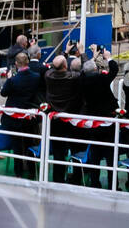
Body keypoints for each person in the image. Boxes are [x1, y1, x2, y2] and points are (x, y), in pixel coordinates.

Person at [79, 53, 120, 187]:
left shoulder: (82, 81)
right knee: (111, 155)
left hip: (94, 122)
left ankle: (95, 182)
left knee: (95, 153)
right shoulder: (101, 78)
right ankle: (113, 183)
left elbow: (83, 72)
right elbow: (114, 70)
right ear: (96, 69)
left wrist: (89, 58)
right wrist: (108, 58)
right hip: (108, 121)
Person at [0, 53, 42, 179]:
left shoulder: (13, 80)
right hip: (29, 116)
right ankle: (32, 171)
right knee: (29, 143)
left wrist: (8, 79)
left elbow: (3, 93)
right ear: (28, 62)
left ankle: (18, 172)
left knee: (17, 145)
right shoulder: (36, 77)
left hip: (15, 118)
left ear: (16, 64)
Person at [43, 54, 82, 184]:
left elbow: (51, 68)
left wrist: (64, 54)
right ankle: (76, 178)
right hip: (71, 119)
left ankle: (58, 179)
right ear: (66, 65)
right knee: (76, 149)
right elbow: (81, 73)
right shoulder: (73, 77)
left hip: (55, 120)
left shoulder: (48, 76)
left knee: (58, 152)